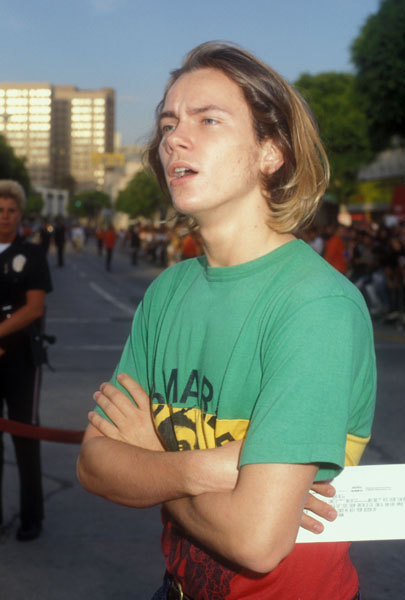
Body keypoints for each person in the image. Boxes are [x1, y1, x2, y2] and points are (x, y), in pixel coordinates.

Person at [77, 42, 376, 600]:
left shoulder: (314, 305)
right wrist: (202, 467)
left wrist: (153, 454)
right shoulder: (167, 292)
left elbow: (257, 540)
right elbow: (95, 464)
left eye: (207, 119)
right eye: (168, 123)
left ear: (271, 152)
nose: (173, 139)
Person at [0, 180, 52, 541]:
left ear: (21, 214)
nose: (4, 217)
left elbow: (34, 308)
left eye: (11, 211)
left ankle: (32, 517)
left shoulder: (31, 255)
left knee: (25, 436)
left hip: (21, 360)